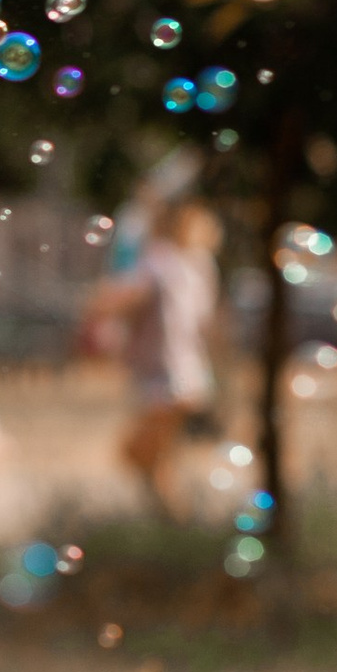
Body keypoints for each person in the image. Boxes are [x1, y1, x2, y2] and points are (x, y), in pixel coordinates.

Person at [105, 188, 224, 515]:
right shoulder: (198, 266)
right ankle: (169, 517)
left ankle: (173, 516)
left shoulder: (158, 262)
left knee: (137, 453)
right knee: (160, 457)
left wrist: (101, 306)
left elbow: (127, 301)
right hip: (189, 373)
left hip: (161, 375)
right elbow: (205, 324)